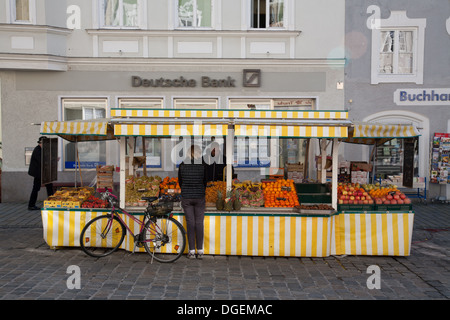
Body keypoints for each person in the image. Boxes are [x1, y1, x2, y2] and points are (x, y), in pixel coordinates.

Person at [178, 145, 208, 259]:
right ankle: (200, 251)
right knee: (199, 223)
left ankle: (191, 251)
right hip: (199, 196)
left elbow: (180, 181)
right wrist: (200, 189)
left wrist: (186, 189)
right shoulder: (203, 165)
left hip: (186, 197)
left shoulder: (182, 165)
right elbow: (205, 181)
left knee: (190, 223)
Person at [28, 136, 54, 210]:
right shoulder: (37, 150)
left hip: (43, 173)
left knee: (49, 187)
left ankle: (51, 203)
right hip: (38, 173)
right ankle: (31, 205)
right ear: (41, 143)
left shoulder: (42, 149)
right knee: (36, 188)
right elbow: (42, 161)